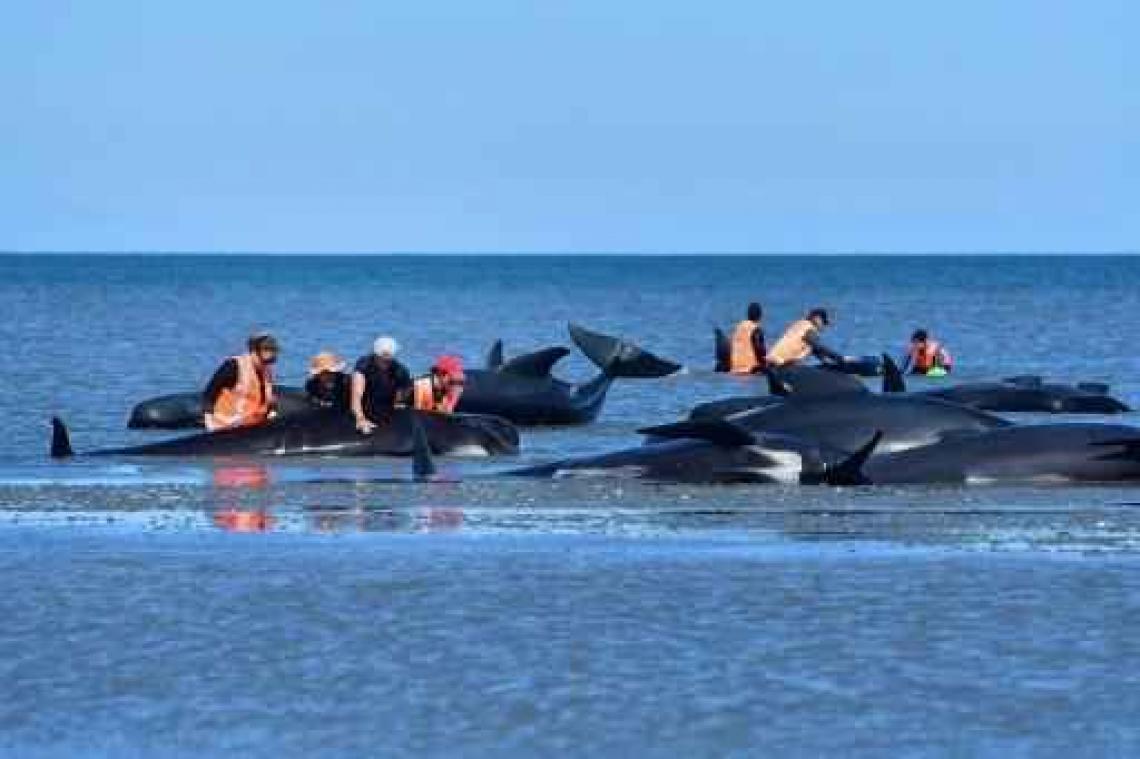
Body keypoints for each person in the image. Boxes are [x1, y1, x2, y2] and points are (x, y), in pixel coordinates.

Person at [203, 333, 279, 431]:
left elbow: (269, 398)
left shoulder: (266, 372)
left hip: (252, 427)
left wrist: (272, 412)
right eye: (264, 361)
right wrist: (209, 421)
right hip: (226, 427)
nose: (266, 365)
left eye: (270, 361)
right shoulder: (234, 366)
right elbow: (209, 394)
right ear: (253, 352)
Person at [351, 336, 413, 434]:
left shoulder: (400, 370)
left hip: (387, 411)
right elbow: (356, 396)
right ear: (375, 355)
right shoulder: (364, 365)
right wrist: (360, 418)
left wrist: (399, 404)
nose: (387, 361)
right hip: (365, 409)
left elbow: (404, 394)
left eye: (389, 357)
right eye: (383, 357)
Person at [767, 308, 845, 368]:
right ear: (817, 319)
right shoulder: (809, 329)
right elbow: (819, 347)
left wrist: (826, 363)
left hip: (771, 361)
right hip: (781, 364)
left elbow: (815, 350)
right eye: (824, 322)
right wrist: (841, 358)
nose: (824, 327)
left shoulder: (800, 325)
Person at [729, 302, 767, 374]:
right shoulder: (756, 330)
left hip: (735, 369)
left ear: (748, 315)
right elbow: (760, 350)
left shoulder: (738, 328)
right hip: (751, 369)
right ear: (760, 316)